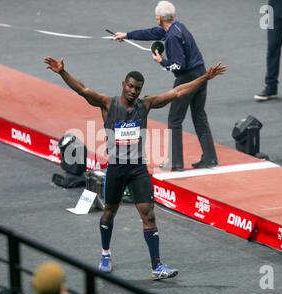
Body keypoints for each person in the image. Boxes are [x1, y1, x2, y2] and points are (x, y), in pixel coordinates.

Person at [44, 56, 226, 280]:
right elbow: (82, 89)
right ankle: (105, 254)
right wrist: (63, 72)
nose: (133, 91)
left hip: (138, 169)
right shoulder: (108, 104)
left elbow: (178, 92)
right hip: (116, 169)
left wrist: (205, 77)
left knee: (148, 215)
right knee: (109, 213)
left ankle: (157, 266)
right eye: (130, 86)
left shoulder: (146, 104)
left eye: (137, 88)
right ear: (123, 84)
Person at [113, 1, 218, 170]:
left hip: (186, 78)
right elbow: (152, 33)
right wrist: (127, 35)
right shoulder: (177, 27)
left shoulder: (172, 37)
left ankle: (175, 163)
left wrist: (161, 61)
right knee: (199, 115)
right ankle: (210, 157)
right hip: (201, 73)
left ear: (159, 18)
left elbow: (178, 65)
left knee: (174, 120)